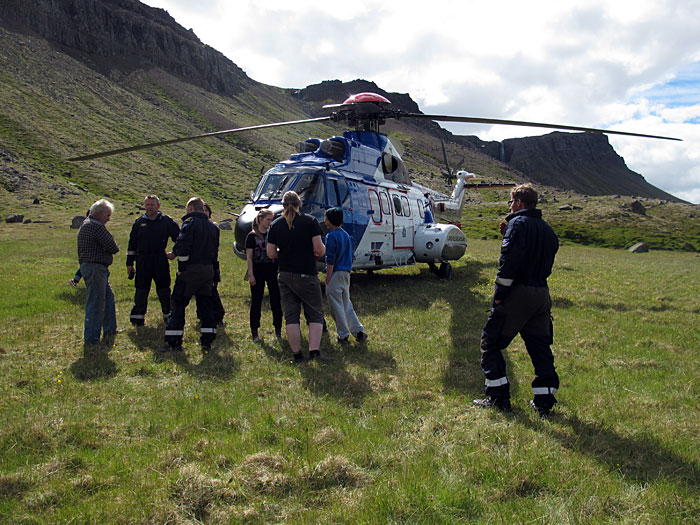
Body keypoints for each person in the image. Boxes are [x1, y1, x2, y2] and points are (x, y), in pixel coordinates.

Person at [474, 183, 560, 418]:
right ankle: (545, 402)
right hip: (542, 294)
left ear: (519, 203)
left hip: (518, 294)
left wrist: (499, 296)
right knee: (540, 347)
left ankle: (498, 398)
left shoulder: (517, 225)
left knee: (490, 343)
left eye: (511, 202)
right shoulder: (547, 229)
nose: (510, 206)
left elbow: (508, 265)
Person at [266, 191, 326, 362]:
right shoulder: (310, 221)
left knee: (291, 316)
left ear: (283, 205)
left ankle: (297, 354)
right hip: (307, 272)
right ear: (300, 203)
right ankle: (314, 352)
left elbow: (270, 253)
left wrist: (284, 253)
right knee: (314, 314)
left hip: (285, 274)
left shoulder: (276, 225)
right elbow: (319, 249)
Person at [163, 197, 220, 353]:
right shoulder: (213, 227)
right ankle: (207, 341)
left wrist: (181, 267)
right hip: (208, 270)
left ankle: (174, 342)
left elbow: (182, 248)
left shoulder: (190, 224)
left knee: (178, 304)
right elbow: (215, 251)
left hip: (191, 271)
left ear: (190, 209)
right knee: (206, 306)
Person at [126, 195, 180, 326]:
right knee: (141, 290)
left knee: (164, 290)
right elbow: (132, 244)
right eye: (147, 205)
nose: (149, 207)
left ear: (158, 206)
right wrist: (129, 263)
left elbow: (180, 238)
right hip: (142, 260)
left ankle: (169, 317)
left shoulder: (166, 221)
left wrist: (175, 252)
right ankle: (138, 319)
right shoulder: (139, 223)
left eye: (152, 205)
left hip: (160, 259)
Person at [77, 199, 119, 345]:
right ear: (100, 213)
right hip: (96, 269)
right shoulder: (96, 226)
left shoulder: (85, 225)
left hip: (89, 267)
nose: (108, 219)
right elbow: (113, 247)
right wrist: (106, 248)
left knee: (108, 299)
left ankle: (110, 329)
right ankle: (91, 338)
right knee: (95, 303)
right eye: (107, 215)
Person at [324, 207, 367, 344]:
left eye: (326, 218)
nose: (324, 221)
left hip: (335, 273)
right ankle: (358, 330)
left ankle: (343, 335)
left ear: (330, 220)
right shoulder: (346, 236)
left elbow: (330, 259)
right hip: (346, 273)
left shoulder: (331, 236)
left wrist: (328, 277)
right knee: (346, 303)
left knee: (336, 306)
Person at [246, 209, 283, 341]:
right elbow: (249, 257)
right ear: (260, 219)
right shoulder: (251, 236)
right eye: (268, 219)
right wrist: (250, 274)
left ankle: (278, 328)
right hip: (258, 269)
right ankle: (255, 330)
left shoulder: (272, 234)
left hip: (273, 269)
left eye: (271, 220)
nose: (270, 222)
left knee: (276, 300)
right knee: (256, 300)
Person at [202, 203, 225, 326]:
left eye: (206, 210)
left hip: (211, 262)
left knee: (212, 289)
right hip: (200, 263)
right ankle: (202, 314)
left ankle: (218, 314)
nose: (204, 212)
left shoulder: (214, 227)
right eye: (202, 210)